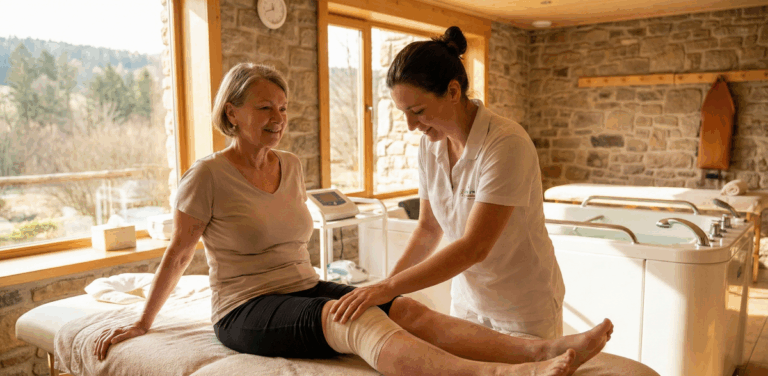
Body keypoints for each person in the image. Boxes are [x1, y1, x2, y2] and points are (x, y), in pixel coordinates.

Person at [92, 62, 613, 376]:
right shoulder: (206, 174)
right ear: (231, 112)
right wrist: (143, 322)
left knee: (404, 308)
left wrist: (383, 287)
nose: (277, 120)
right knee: (356, 318)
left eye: (283, 108)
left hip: (300, 286)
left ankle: (546, 347)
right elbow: (180, 253)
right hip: (244, 307)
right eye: (263, 109)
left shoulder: (291, 166)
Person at [331, 25, 566, 341]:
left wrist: (386, 289)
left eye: (418, 111)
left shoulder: (506, 143)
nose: (411, 125)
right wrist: (385, 293)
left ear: (453, 92)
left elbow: (474, 247)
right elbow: (428, 229)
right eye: (403, 113)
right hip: (468, 302)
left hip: (522, 307)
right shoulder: (430, 146)